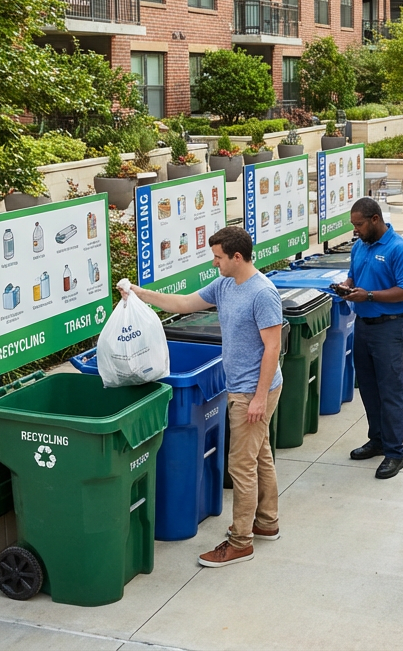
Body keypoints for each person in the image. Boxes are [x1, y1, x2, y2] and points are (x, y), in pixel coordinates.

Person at [120, 226, 284, 568]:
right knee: (260, 454)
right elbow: (182, 303)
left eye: (218, 258)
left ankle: (241, 541)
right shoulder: (225, 286)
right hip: (241, 386)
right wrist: (137, 293)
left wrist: (256, 398)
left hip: (253, 389)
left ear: (237, 257)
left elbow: (273, 347)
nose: (215, 264)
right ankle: (267, 522)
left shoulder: (262, 293)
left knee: (241, 466)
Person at [337, 198, 403, 479]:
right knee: (369, 388)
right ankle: (379, 439)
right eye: (353, 225)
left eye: (359, 224)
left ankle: (396, 452)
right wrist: (346, 287)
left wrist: (369, 295)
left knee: (390, 390)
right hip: (363, 325)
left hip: (390, 328)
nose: (355, 230)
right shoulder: (360, 246)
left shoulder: (399, 249)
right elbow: (353, 276)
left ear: (375, 219)